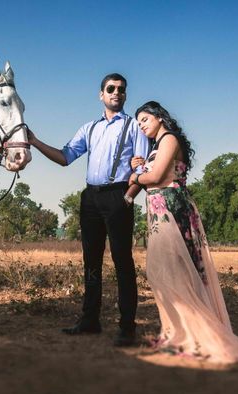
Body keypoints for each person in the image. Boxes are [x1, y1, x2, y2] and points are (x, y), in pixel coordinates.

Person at [128, 101, 238, 363]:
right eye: (138, 122)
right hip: (159, 210)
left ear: (159, 117)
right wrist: (138, 168)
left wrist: (135, 178)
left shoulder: (169, 140)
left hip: (171, 209)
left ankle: (197, 334)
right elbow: (153, 175)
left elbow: (156, 178)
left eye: (144, 119)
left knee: (176, 271)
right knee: (163, 271)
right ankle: (179, 331)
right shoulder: (158, 145)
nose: (141, 125)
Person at [28, 73, 149, 347]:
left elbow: (142, 170)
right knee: (91, 261)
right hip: (91, 199)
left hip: (119, 195)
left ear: (125, 95)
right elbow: (65, 157)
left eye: (121, 89)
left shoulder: (134, 127)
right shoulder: (90, 129)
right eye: (111, 88)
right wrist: (35, 141)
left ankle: (127, 326)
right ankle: (89, 320)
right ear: (101, 94)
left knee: (122, 262)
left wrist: (128, 198)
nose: (116, 93)